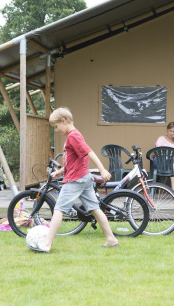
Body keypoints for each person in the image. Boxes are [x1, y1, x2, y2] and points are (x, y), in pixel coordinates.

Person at [32, 107, 120, 253]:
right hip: (83, 178)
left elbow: (89, 152)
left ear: (64, 120)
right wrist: (60, 172)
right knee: (95, 209)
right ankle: (111, 239)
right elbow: (73, 160)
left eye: (56, 126)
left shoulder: (73, 136)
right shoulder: (73, 136)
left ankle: (47, 244)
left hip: (76, 180)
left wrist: (102, 169)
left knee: (59, 210)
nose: (57, 129)